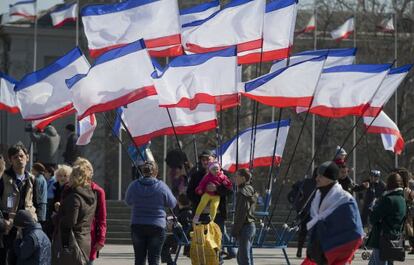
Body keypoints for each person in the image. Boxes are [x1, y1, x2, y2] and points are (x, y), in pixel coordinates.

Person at [303, 161, 363, 265]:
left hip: (336, 253)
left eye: (320, 176)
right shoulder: (317, 195)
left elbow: (354, 230)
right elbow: (316, 220)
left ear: (329, 178)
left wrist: (331, 248)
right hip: (319, 251)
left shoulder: (345, 199)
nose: (317, 178)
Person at [125, 161, 176, 265]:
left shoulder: (134, 185)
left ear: (142, 172)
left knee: (139, 259)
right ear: (156, 172)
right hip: (157, 225)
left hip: (137, 224)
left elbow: (128, 201)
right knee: (154, 259)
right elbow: (172, 203)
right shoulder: (162, 186)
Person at [187, 150, 235, 260]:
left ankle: (218, 260)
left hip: (217, 214)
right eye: (203, 159)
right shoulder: (196, 175)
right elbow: (190, 193)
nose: (205, 161)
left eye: (207, 159)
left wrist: (217, 189)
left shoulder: (223, 174)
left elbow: (230, 191)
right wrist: (202, 196)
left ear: (214, 160)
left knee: (217, 239)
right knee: (201, 241)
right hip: (201, 214)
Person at [52, 157, 97, 265]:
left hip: (71, 242)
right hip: (84, 239)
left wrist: (57, 217)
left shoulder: (75, 197)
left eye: (71, 175)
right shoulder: (92, 194)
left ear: (75, 177)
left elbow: (70, 222)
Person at [0, 143, 38, 265]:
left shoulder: (32, 179)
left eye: (21, 156)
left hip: (27, 226)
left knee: (25, 258)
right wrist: (2, 221)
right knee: (7, 258)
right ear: (10, 160)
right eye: (15, 157)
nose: (19, 159)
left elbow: (35, 202)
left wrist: (35, 219)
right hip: (8, 226)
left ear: (27, 157)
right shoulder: (4, 178)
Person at [366, 172, 407, 265]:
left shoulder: (388, 199)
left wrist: (374, 207)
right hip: (394, 240)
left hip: (382, 240)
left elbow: (373, 218)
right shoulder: (402, 200)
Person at [287, 168, 317, 258]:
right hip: (305, 210)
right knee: (304, 231)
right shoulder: (307, 182)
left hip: (315, 212)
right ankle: (300, 249)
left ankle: (309, 251)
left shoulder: (321, 184)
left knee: (312, 232)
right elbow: (295, 188)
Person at [231, 169, 257, 265]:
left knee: (244, 259)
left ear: (243, 178)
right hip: (249, 226)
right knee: (242, 257)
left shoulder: (243, 192)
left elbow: (241, 214)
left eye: (236, 176)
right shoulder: (250, 188)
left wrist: (235, 230)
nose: (234, 179)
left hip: (245, 227)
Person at [161, 194, 192, 265]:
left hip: (181, 237)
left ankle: (170, 263)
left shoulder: (182, 214)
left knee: (163, 244)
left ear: (179, 202)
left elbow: (180, 227)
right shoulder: (191, 212)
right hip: (189, 236)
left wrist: (171, 225)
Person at [394, 168, 414, 254]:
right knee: (407, 230)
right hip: (406, 210)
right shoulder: (402, 186)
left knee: (409, 230)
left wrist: (407, 199)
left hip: (409, 211)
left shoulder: (408, 187)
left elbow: (410, 200)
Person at [89, 180, 107, 264]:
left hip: (90, 237)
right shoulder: (69, 188)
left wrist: (101, 239)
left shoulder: (97, 191)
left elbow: (102, 218)